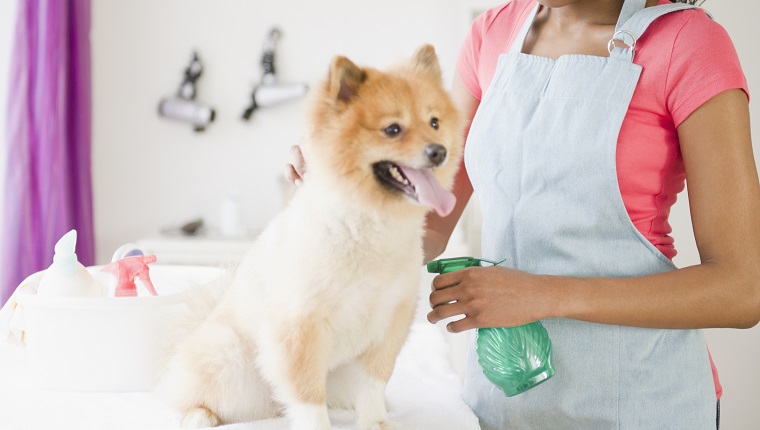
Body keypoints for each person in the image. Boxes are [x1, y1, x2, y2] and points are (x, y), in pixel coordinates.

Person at [285, 0, 759, 428]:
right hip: (502, 407)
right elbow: (427, 228)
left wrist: (544, 295)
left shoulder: (688, 43)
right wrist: (345, 185)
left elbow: (743, 290)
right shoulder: (493, 32)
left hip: (641, 403)